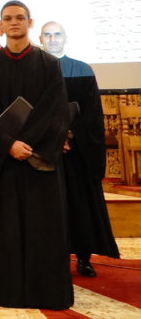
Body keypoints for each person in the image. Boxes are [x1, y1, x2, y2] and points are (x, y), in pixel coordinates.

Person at [0, 1, 72, 309]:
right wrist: (8, 145)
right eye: (8, 19)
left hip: (38, 161)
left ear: (30, 23)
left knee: (44, 230)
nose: (14, 23)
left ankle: (48, 293)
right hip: (7, 163)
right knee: (9, 231)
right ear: (1, 26)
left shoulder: (48, 64)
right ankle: (12, 293)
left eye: (20, 18)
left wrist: (26, 145)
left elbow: (54, 112)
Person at [40, 21, 119, 277]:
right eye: (48, 35)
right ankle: (53, 259)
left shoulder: (82, 69)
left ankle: (83, 258)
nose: (52, 39)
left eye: (57, 34)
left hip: (77, 153)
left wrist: (70, 134)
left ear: (65, 38)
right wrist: (53, 136)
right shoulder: (35, 68)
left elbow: (93, 113)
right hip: (47, 151)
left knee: (80, 206)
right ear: (41, 39)